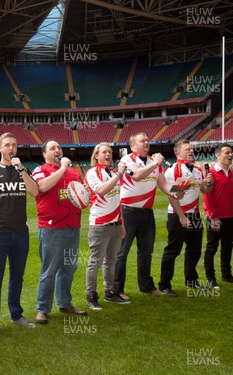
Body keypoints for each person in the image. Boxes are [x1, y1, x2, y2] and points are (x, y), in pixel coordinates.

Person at [0, 132, 39, 337]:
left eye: (14, 144)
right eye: (7, 145)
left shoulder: (23, 170)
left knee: (17, 276)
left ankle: (16, 314)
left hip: (21, 232)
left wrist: (21, 168)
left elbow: (35, 191)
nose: (11, 148)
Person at [113, 132, 183, 297]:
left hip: (146, 213)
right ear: (133, 145)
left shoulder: (153, 162)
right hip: (128, 212)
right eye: (142, 140)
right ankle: (117, 289)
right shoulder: (127, 160)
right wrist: (156, 164)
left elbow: (163, 184)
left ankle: (146, 286)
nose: (146, 143)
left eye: (147, 140)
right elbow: (136, 175)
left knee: (146, 251)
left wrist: (176, 192)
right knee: (122, 252)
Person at [31, 140, 87, 324]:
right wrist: (62, 169)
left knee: (69, 268)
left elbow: (80, 194)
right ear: (44, 154)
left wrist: (83, 196)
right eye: (53, 148)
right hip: (51, 227)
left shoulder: (74, 172)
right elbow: (42, 187)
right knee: (49, 270)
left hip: (73, 226)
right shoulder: (41, 170)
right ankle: (42, 309)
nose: (57, 150)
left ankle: (64, 303)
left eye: (59, 147)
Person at [158, 140, 213, 295]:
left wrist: (208, 184)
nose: (191, 151)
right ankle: (164, 285)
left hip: (195, 215)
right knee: (173, 250)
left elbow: (205, 191)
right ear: (178, 153)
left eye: (192, 149)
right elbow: (172, 196)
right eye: (187, 149)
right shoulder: (173, 171)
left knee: (194, 250)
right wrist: (182, 217)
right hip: (177, 215)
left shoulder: (197, 170)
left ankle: (191, 281)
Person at [84, 143, 130, 310]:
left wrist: (122, 224)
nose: (108, 154)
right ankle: (91, 294)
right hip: (100, 224)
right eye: (104, 152)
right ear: (96, 156)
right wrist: (118, 174)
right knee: (95, 261)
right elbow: (101, 191)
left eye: (110, 152)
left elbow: (118, 201)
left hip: (116, 224)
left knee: (111, 261)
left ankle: (109, 292)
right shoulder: (92, 173)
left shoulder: (112, 173)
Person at [203, 143, 233, 288]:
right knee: (212, 248)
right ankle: (210, 278)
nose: (230, 155)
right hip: (215, 218)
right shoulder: (211, 173)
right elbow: (207, 197)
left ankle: (226, 275)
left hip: (230, 217)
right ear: (218, 155)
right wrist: (213, 216)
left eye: (231, 152)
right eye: (226, 152)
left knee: (227, 247)